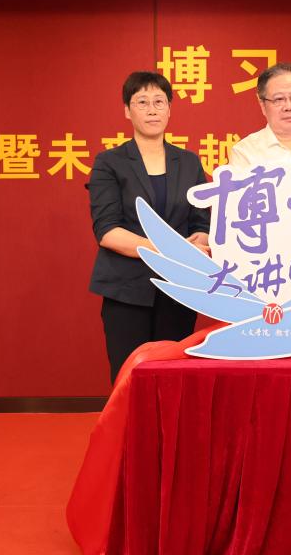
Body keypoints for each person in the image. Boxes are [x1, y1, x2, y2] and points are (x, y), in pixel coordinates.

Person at [87, 71, 211, 383]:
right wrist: (172, 250)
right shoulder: (109, 162)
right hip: (126, 290)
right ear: (127, 111)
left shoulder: (189, 162)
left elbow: (201, 222)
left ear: (169, 109)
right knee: (130, 379)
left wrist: (200, 239)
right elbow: (108, 232)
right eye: (142, 102)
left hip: (178, 288)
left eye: (159, 102)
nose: (152, 110)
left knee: (173, 379)